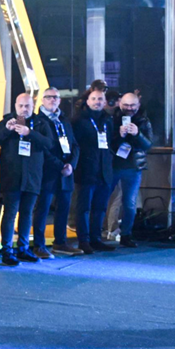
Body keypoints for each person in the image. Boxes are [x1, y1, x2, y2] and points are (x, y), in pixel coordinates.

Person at [0, 93, 53, 266]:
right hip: (12, 176)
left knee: (27, 213)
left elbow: (49, 144)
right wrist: (6, 130)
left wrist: (29, 133)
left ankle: (23, 248)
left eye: (27, 106)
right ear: (15, 106)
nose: (24, 109)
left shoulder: (41, 123)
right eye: (21, 106)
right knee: (10, 213)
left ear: (33, 106)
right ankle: (7, 250)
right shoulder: (7, 122)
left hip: (32, 177)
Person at [33, 88, 80, 257]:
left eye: (56, 97)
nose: (52, 100)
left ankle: (60, 242)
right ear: (42, 100)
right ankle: (38, 245)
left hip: (66, 172)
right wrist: (60, 165)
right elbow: (42, 148)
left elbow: (74, 144)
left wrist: (71, 165)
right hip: (48, 171)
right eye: (48, 97)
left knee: (64, 208)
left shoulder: (64, 120)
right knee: (43, 209)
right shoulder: (38, 121)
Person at [73, 85, 115, 254]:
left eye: (100, 99)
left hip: (104, 171)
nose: (97, 102)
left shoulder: (107, 120)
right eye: (94, 99)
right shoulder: (78, 120)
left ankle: (96, 239)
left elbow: (110, 143)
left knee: (100, 207)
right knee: (83, 208)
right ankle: (83, 240)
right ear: (87, 101)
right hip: (86, 170)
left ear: (105, 102)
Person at [110, 92, 154, 248]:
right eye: (126, 105)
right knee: (102, 200)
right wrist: (119, 135)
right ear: (120, 104)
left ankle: (126, 234)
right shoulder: (112, 119)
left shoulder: (144, 121)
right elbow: (107, 144)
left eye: (132, 106)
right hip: (113, 165)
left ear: (138, 105)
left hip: (133, 167)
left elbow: (148, 145)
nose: (129, 109)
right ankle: (98, 233)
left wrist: (137, 134)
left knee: (129, 203)